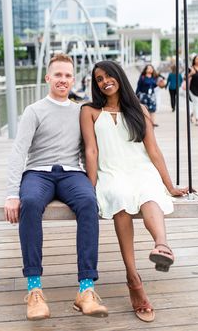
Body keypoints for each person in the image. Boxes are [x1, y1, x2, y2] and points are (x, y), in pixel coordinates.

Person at [80, 60, 188, 323]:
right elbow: (91, 151)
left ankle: (162, 247)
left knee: (149, 193)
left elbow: (153, 151)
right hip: (111, 171)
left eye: (108, 75)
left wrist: (170, 185)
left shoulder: (138, 109)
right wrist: (89, 188)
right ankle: (133, 277)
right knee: (118, 197)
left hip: (140, 168)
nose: (104, 81)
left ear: (118, 76)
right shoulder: (90, 111)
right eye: (98, 78)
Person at [4, 54, 108, 321]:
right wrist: (12, 193)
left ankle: (86, 289)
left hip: (72, 173)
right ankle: (34, 289)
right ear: (48, 77)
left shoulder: (80, 111)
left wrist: (97, 183)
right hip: (38, 173)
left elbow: (90, 150)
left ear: (74, 79)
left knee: (88, 202)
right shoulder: (34, 110)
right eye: (58, 75)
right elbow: (19, 152)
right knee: (30, 203)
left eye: (68, 76)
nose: (63, 80)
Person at [188, 54, 198, 125]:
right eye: (197, 59)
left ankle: (192, 114)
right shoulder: (191, 68)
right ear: (194, 60)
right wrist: (191, 73)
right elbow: (185, 78)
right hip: (193, 88)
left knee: (196, 104)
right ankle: (197, 119)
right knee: (197, 102)